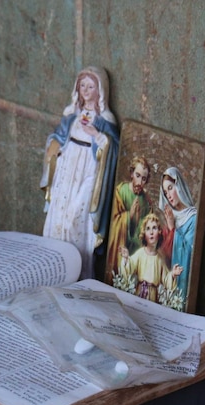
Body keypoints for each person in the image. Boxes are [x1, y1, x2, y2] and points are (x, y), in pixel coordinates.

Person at [39, 66, 119, 279]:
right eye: (82, 85)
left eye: (91, 86)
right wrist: (54, 147)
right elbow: (59, 137)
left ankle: (79, 273)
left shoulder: (105, 120)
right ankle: (52, 269)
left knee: (77, 218)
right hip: (67, 171)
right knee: (60, 216)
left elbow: (112, 148)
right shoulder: (71, 114)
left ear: (100, 90)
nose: (86, 90)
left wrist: (96, 134)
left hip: (88, 172)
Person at [104, 156, 153, 286]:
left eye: (143, 179)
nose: (140, 182)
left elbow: (146, 228)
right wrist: (129, 216)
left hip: (135, 249)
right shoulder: (121, 191)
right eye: (137, 175)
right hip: (121, 245)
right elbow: (113, 221)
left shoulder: (146, 201)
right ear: (131, 174)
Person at [118, 212, 182, 303]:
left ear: (159, 232)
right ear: (144, 233)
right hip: (139, 293)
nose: (151, 232)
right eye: (148, 229)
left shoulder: (160, 259)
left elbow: (166, 280)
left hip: (153, 297)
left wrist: (173, 274)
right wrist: (125, 258)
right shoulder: (140, 253)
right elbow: (129, 268)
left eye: (154, 228)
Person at [159, 167, 196, 303]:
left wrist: (172, 228)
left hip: (183, 280)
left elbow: (190, 253)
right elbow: (164, 256)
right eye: (165, 192)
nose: (168, 195)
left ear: (178, 186)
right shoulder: (171, 217)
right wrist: (169, 228)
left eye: (170, 188)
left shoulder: (193, 218)